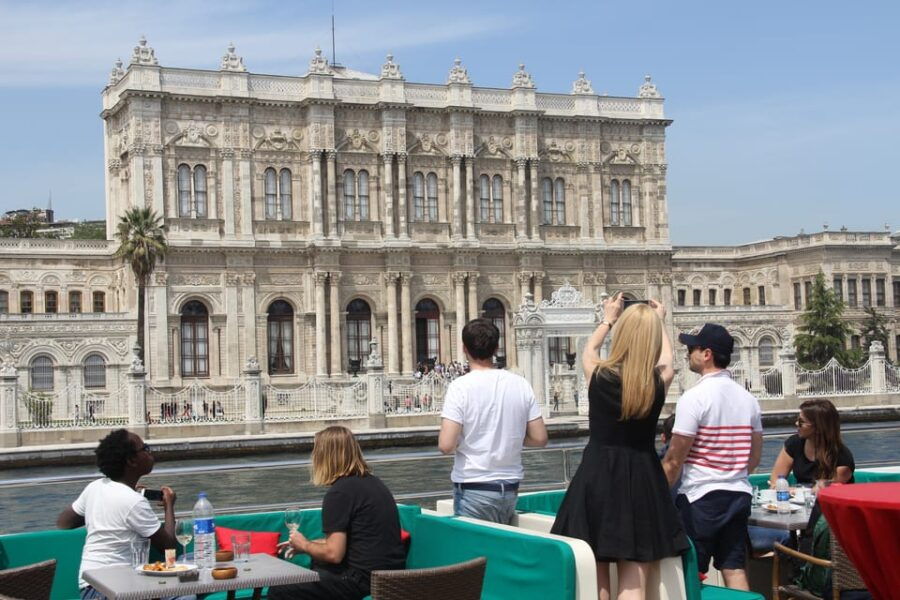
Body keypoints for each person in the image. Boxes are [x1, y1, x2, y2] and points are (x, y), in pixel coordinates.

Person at [551, 294, 688, 600]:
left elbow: (589, 350)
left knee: (596, 572)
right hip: (642, 476)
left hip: (598, 474)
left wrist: (608, 319)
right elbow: (669, 361)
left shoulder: (598, 376)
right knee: (634, 579)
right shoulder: (656, 382)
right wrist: (660, 322)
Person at [662, 323, 763, 591]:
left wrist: (657, 491)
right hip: (739, 494)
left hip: (700, 498)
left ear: (706, 354)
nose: (688, 353)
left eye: (692, 348)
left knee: (692, 572)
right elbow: (754, 458)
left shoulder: (693, 398)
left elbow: (674, 459)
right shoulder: (748, 399)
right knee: (734, 568)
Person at [270, 426, 405, 600]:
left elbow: (334, 554)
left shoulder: (339, 493)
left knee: (279, 590)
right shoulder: (374, 483)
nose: (313, 458)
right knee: (317, 564)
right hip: (390, 577)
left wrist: (304, 545)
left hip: (363, 581)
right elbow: (356, 539)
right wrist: (306, 545)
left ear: (325, 457)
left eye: (315, 452)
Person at [438, 318, 548, 524]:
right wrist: (511, 438)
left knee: (476, 552)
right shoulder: (520, 384)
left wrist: (469, 440)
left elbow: (446, 445)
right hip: (509, 489)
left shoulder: (460, 387)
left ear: (464, 348)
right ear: (497, 347)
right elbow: (540, 438)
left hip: (474, 487)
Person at [57, 429, 181, 599]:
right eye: (145, 448)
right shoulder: (133, 501)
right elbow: (169, 549)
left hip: (89, 589)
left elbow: (64, 522)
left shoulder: (96, 487)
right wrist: (169, 505)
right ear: (131, 460)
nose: (150, 452)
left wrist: (101, 511)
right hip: (116, 591)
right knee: (184, 591)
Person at [770, 398, 855, 488]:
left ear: (818, 428)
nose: (796, 423)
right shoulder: (794, 444)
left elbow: (827, 490)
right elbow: (775, 481)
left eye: (801, 422)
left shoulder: (842, 459)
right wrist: (786, 489)